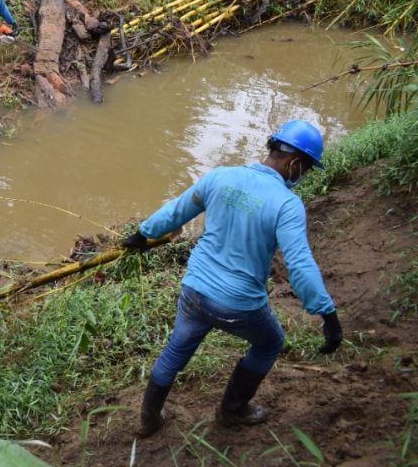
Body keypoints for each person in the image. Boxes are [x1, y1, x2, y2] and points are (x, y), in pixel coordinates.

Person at [122, 120, 343, 437]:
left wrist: (142, 234)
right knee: (270, 343)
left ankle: (149, 419)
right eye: (306, 169)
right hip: (238, 304)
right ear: (295, 163)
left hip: (194, 289)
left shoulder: (220, 176)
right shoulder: (287, 204)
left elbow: (179, 209)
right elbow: (299, 262)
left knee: (176, 350)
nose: (302, 176)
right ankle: (232, 410)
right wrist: (327, 313)